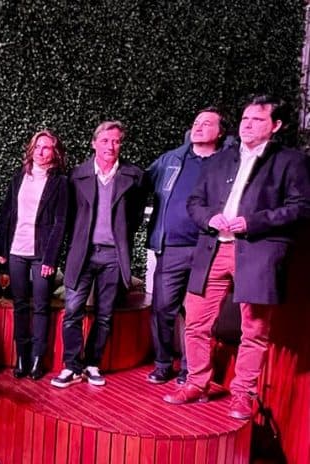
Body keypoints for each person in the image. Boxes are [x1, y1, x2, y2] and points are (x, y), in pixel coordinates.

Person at [164, 95, 310, 420]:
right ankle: (196, 382)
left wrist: (252, 222)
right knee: (195, 323)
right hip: (212, 249)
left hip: (257, 252)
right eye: (245, 119)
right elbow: (195, 202)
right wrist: (209, 218)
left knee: (254, 330)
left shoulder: (291, 161)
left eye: (257, 119)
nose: (248, 125)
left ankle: (243, 394)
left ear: (276, 125)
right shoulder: (220, 159)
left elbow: (301, 208)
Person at [51, 121, 145, 389]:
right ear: (94, 143)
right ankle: (71, 366)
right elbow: (68, 216)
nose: (110, 146)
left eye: (116, 141)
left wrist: (120, 238)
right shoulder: (76, 175)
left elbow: (135, 216)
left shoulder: (134, 176)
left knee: (105, 314)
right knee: (72, 311)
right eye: (105, 141)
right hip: (83, 254)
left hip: (113, 257)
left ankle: (92, 364)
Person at [144, 107, 230, 385]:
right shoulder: (171, 159)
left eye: (207, 123)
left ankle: (190, 369)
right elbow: (140, 184)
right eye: (196, 122)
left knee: (197, 314)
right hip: (171, 247)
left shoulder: (229, 163)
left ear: (221, 132)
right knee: (162, 308)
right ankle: (162, 363)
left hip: (209, 248)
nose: (198, 127)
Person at [0, 130, 68, 381]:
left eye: (46, 147)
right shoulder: (19, 178)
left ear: (54, 153)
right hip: (16, 250)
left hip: (41, 254)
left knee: (41, 306)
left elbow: (60, 223)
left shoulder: (60, 183)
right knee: (20, 305)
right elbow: (6, 213)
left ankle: (37, 358)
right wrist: (1, 249)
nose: (40, 151)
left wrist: (50, 258)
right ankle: (22, 357)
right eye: (37, 146)